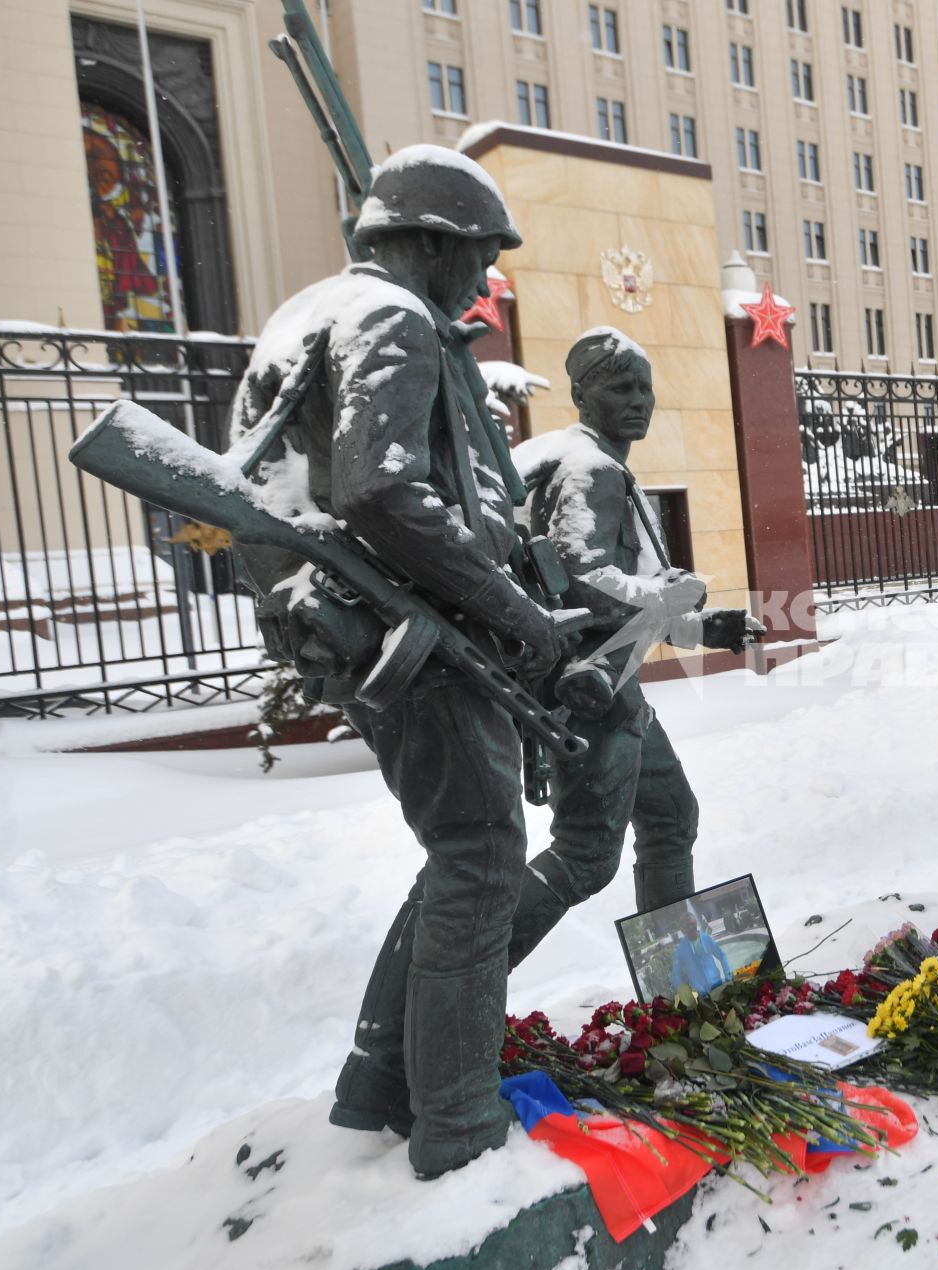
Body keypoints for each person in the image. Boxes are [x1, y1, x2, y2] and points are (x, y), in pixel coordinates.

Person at [225, 145, 559, 1177]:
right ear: (428, 244)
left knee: (460, 849)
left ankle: (380, 1081)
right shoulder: (392, 317)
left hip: (357, 627)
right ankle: (454, 1129)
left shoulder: (307, 313)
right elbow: (381, 491)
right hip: (404, 632)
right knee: (481, 855)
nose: (481, 283)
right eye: (477, 259)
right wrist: (518, 611)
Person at [508, 327, 763, 961]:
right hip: (586, 693)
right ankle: (464, 977)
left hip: (612, 688)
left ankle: (682, 983)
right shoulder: (590, 469)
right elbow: (589, 583)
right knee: (586, 856)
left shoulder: (593, 465)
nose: (639, 400)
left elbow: (637, 602)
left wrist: (705, 628)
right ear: (580, 395)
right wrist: (679, 594)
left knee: (671, 816)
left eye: (644, 386)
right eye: (620, 387)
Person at [669, 912, 734, 995]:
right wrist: (684, 993)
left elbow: (722, 955)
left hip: (717, 985)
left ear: (696, 923)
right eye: (687, 926)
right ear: (683, 930)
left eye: (692, 924)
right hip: (700, 993)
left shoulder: (707, 939)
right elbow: (675, 973)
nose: (691, 927)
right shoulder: (680, 949)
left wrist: (728, 975)